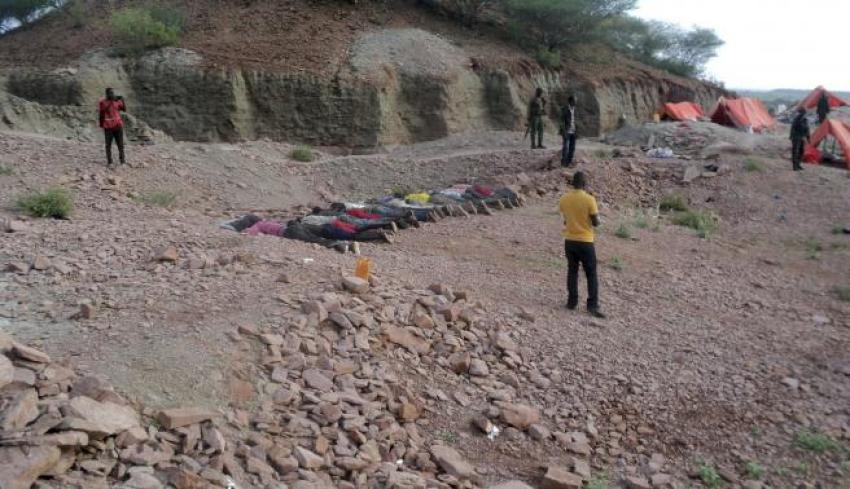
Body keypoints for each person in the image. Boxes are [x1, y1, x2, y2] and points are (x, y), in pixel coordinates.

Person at [559, 171, 604, 318]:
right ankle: (592, 305)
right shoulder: (590, 199)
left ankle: (572, 302)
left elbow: (566, 220)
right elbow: (596, 223)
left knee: (572, 271)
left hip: (570, 240)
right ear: (585, 184)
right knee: (591, 274)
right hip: (585, 241)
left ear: (572, 184)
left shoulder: (564, 199)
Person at [98, 88, 127, 167]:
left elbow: (124, 109)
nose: (112, 94)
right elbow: (101, 113)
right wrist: (101, 124)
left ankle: (123, 161)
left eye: (113, 93)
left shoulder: (116, 101)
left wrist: (122, 100)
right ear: (107, 94)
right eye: (110, 93)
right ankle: (110, 162)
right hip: (108, 126)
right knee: (108, 145)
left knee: (120, 144)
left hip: (118, 125)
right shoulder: (103, 102)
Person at [790, 107, 810, 172]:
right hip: (796, 137)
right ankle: (795, 166)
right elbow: (793, 128)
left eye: (804, 113)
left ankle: (798, 164)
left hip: (801, 137)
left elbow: (807, 130)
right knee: (795, 151)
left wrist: (808, 138)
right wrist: (791, 136)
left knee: (801, 151)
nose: (803, 114)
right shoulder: (796, 119)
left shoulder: (805, 120)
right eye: (803, 112)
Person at [561, 96, 578, 167]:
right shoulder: (565, 109)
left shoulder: (575, 110)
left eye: (576, 101)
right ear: (570, 101)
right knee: (566, 148)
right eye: (574, 101)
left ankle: (569, 162)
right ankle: (564, 163)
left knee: (572, 148)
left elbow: (576, 121)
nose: (575, 102)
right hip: (567, 131)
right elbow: (561, 121)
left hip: (573, 131)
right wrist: (563, 131)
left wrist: (577, 131)